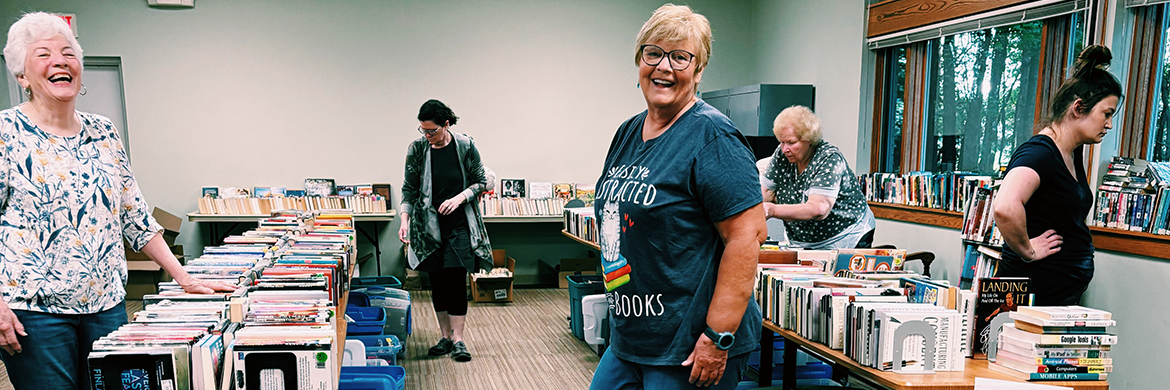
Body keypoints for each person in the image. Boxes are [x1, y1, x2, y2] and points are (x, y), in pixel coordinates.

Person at [0, 13, 236, 390]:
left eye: (68, 53)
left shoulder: (103, 132)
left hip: (107, 303)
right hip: (34, 312)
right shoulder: (5, 133)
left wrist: (185, 278)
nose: (60, 61)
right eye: (43, 54)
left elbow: (135, 216)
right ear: (22, 76)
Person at [588, 5, 767, 390]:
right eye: (653, 53)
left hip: (688, 344)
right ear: (639, 60)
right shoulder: (628, 132)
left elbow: (747, 237)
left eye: (680, 57)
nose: (664, 67)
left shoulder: (713, 137)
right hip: (632, 338)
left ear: (698, 71)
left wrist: (718, 338)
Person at [992, 45, 1122, 306]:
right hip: (1034, 291)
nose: (1109, 124)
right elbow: (1005, 207)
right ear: (1078, 108)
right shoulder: (1040, 153)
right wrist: (1028, 252)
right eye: (1106, 114)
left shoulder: (1072, 152)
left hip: (1059, 292)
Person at [398, 99, 492, 362]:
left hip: (460, 224)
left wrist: (459, 198)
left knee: (455, 277)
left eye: (432, 131)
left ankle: (459, 339)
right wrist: (404, 220)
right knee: (437, 281)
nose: (427, 136)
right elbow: (409, 188)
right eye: (423, 131)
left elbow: (480, 182)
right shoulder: (417, 149)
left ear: (446, 124)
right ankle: (445, 337)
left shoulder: (465, 145)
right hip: (428, 226)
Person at [760, 105, 876, 249]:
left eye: (791, 142)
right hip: (803, 240)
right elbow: (763, 191)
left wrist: (772, 210)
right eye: (782, 142)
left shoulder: (829, 158)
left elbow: (819, 209)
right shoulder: (782, 154)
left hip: (846, 236)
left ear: (809, 139)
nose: (785, 149)